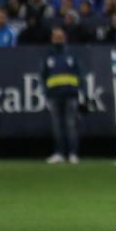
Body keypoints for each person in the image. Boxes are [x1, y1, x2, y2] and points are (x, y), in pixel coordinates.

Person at [42, 27, 84, 164]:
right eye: (56, 37)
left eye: (60, 37)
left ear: (64, 38)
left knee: (71, 125)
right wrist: (45, 94)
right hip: (54, 96)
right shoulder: (48, 55)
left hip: (71, 95)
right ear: (52, 39)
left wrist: (80, 91)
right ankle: (59, 153)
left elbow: (79, 74)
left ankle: (72, 153)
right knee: (56, 126)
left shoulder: (71, 54)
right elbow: (43, 76)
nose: (58, 39)